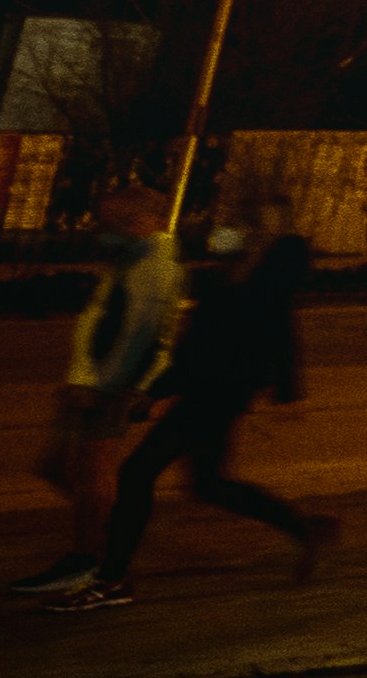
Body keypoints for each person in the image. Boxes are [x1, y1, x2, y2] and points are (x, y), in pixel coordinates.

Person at [53, 224, 334, 611]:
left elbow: (204, 355)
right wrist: (286, 393)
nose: (245, 246)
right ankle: (302, 527)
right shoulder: (253, 295)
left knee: (138, 473)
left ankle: (112, 578)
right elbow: (274, 350)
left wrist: (156, 393)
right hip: (218, 401)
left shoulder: (250, 297)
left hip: (209, 402)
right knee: (209, 483)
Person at [19, 205, 186, 596]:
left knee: (91, 469)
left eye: (118, 222)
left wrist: (101, 385)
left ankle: (90, 557)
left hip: (111, 386)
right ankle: (111, 534)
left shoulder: (154, 267)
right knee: (60, 467)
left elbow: (139, 336)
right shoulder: (132, 261)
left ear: (148, 220)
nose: (107, 230)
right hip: (96, 381)